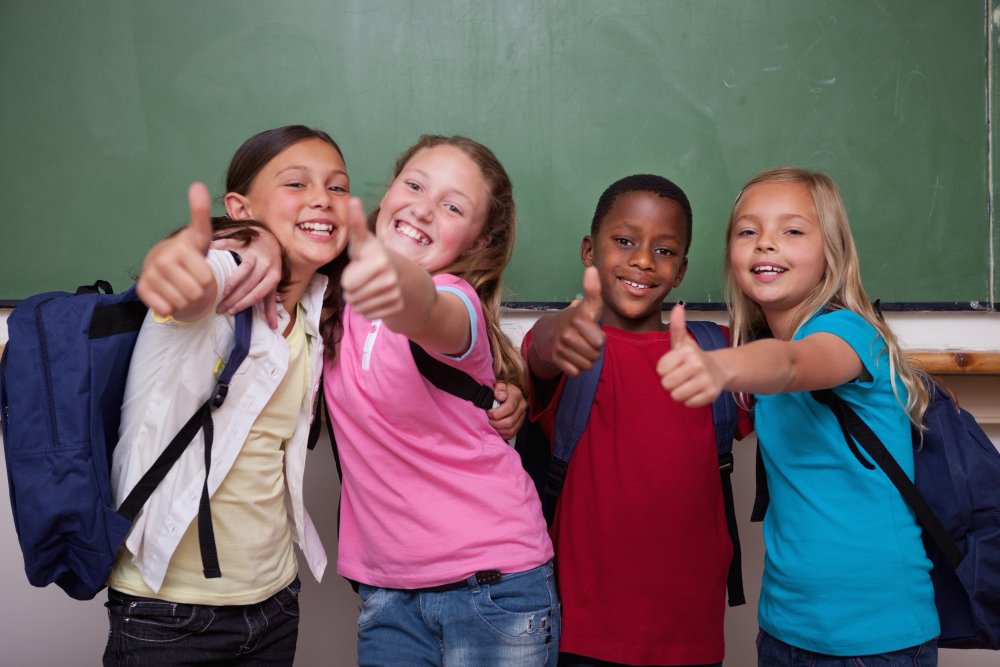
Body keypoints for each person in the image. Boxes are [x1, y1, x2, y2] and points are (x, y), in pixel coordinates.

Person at [657, 167, 939, 665]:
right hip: (786, 630)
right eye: (748, 231)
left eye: (792, 230)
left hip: (877, 639)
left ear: (830, 250)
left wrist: (719, 367)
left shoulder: (850, 334)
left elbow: (792, 366)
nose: (766, 244)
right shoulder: (764, 348)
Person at [104, 125, 358, 666]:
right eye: (296, 183)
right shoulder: (224, 279)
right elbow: (192, 281)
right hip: (171, 613)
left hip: (274, 601)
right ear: (240, 208)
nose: (322, 198)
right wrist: (181, 265)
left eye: (338, 187)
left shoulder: (316, 306)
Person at [323, 135, 559, 666]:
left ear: (478, 241)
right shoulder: (329, 302)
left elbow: (431, 313)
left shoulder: (456, 301)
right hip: (387, 594)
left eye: (453, 207)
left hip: (493, 587)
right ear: (386, 194)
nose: (424, 209)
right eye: (414, 185)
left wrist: (398, 286)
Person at [522, 174, 752, 667]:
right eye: (624, 241)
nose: (644, 260)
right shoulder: (570, 346)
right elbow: (541, 346)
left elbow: (793, 378)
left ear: (683, 269)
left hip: (691, 636)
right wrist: (562, 326)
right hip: (580, 634)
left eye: (664, 251)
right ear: (589, 250)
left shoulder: (719, 350)